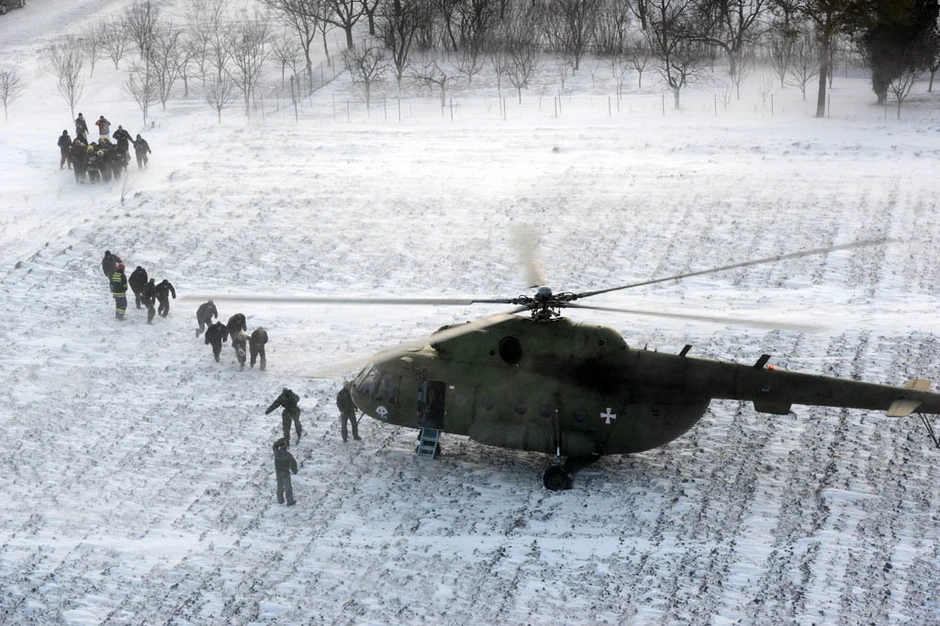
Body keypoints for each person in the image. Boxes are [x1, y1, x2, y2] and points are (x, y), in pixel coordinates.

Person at [272, 438, 297, 506]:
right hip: (285, 472)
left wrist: (280, 441)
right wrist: (294, 470)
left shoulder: (276, 452)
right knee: (288, 487)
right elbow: (293, 463)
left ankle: (280, 500)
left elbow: (274, 446)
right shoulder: (288, 455)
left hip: (278, 472)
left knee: (279, 485)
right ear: (285, 446)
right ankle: (290, 501)